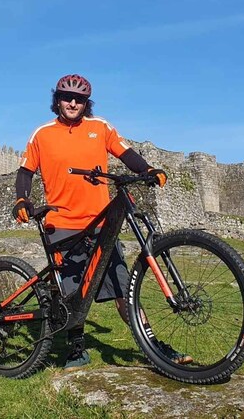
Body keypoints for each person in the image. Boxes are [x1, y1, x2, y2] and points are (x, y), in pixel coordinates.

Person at [12, 74, 191, 370]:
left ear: (86, 103)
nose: (72, 103)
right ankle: (76, 348)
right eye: (67, 97)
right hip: (62, 224)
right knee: (70, 293)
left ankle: (154, 346)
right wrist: (22, 199)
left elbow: (126, 153)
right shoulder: (41, 134)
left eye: (79, 99)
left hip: (100, 224)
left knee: (124, 290)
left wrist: (147, 169)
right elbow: (25, 172)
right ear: (56, 101)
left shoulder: (100, 128)